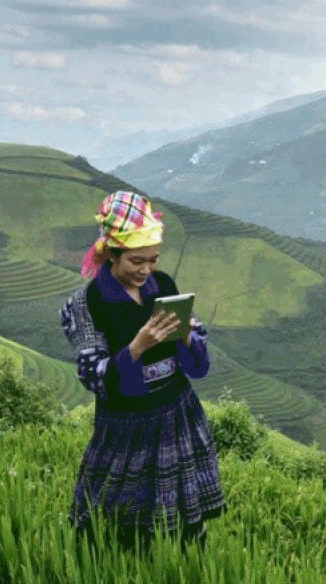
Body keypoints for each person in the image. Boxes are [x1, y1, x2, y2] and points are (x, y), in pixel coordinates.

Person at [60, 190, 225, 554]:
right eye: (136, 261)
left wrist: (185, 334)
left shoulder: (163, 286)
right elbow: (94, 375)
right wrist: (138, 347)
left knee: (182, 504)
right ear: (111, 253)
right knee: (118, 512)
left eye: (152, 260)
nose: (146, 270)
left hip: (176, 410)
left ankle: (184, 564)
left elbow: (195, 356)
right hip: (126, 424)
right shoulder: (86, 304)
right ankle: (116, 567)